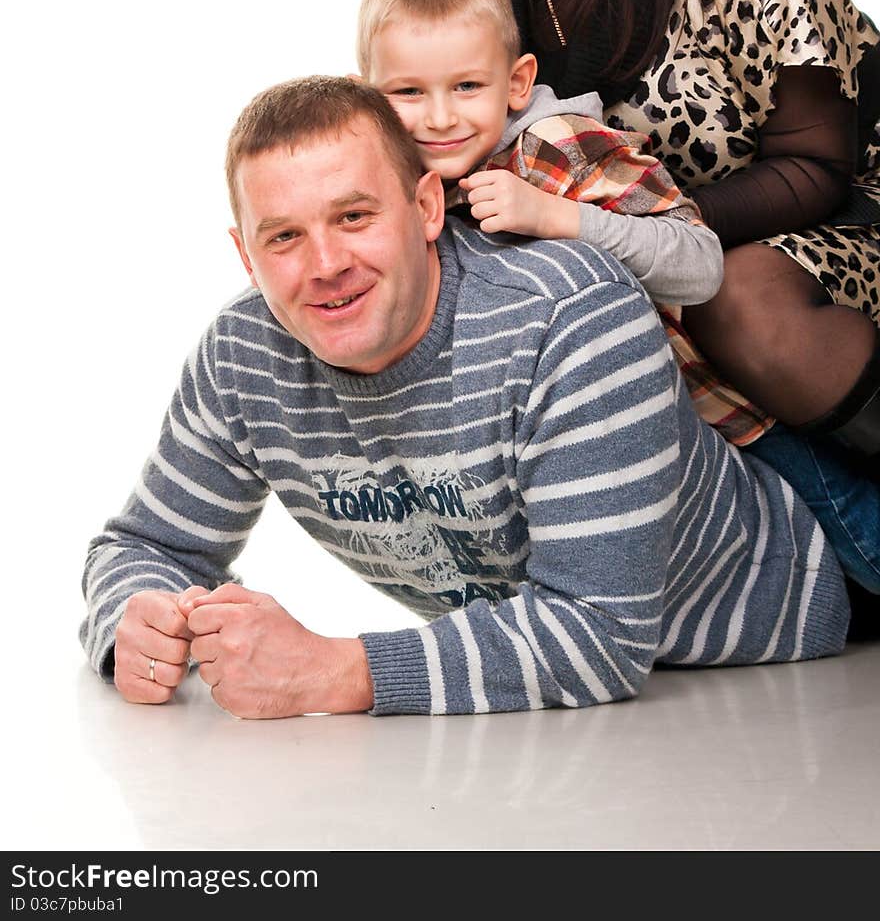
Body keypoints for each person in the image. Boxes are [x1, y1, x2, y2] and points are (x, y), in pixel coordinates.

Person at [80, 76, 851, 719]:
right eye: (284, 237)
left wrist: (337, 671)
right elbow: (144, 546)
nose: (325, 264)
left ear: (424, 208)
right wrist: (135, 618)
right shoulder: (242, 355)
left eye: (354, 216)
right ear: (246, 255)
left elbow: (602, 635)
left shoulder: (571, 315)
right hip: (569, 741)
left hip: (800, 643)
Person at [391, 0, 880, 465]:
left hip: (847, 209)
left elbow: (818, 168)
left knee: (738, 302)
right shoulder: (484, 6)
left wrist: (638, 229)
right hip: (665, 252)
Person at [357, 0, 771, 445]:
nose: (440, 118)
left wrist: (556, 216)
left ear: (516, 83)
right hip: (558, 437)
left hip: (713, 426)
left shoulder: (554, 144)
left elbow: (701, 264)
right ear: (367, 97)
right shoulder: (401, 180)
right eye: (408, 92)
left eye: (467, 86)